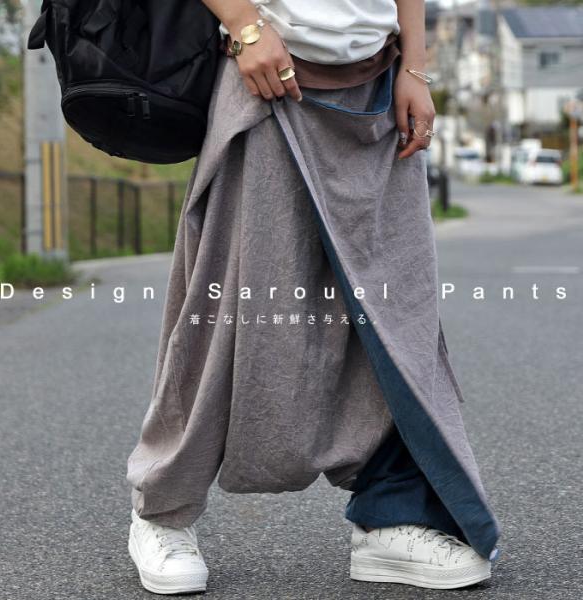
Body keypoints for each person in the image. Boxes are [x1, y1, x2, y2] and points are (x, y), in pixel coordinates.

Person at [126, 0, 502, 594]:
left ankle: (391, 516)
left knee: (396, 317)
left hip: (378, 87)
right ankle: (162, 512)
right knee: (227, 311)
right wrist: (244, 26)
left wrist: (415, 66)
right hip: (269, 78)